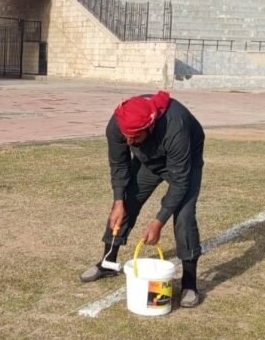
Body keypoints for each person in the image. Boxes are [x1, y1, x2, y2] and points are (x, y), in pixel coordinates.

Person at [80, 90, 205, 308]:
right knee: (126, 202)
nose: (129, 141)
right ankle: (108, 262)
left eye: (135, 137)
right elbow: (119, 165)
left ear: (150, 126)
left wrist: (159, 221)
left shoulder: (176, 128)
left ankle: (189, 283)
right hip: (150, 160)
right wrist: (118, 200)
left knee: (184, 215)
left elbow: (180, 182)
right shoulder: (117, 125)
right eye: (126, 136)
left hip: (185, 162)